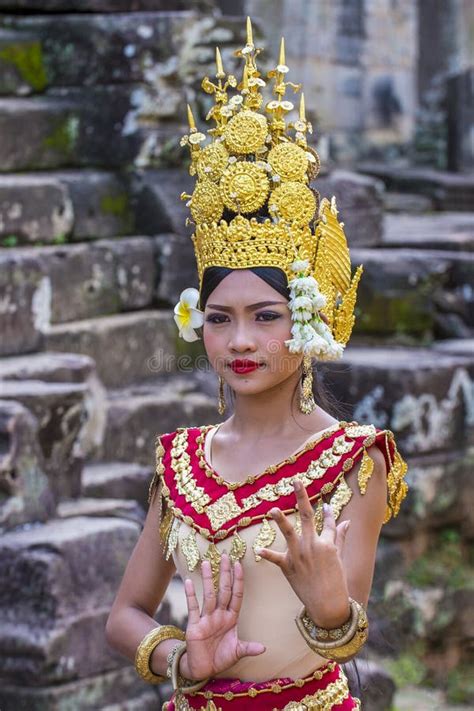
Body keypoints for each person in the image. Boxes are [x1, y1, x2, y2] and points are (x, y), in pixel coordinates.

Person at [105, 18, 408, 710]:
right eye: (220, 318)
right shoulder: (179, 460)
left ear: (309, 319)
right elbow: (125, 615)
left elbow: (346, 633)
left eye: (266, 316)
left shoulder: (353, 461)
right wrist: (184, 654)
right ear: (199, 324)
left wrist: (330, 606)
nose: (240, 340)